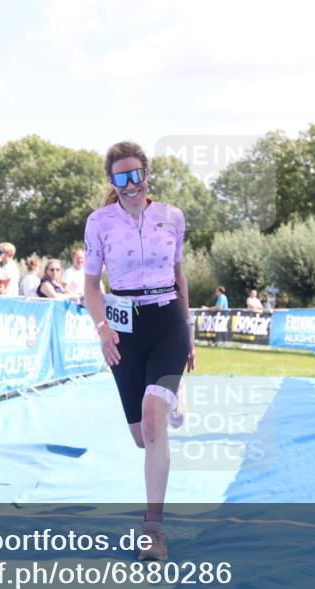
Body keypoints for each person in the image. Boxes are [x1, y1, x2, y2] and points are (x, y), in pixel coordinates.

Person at [83, 141, 194, 561]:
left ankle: (153, 530)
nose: (130, 185)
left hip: (168, 322)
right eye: (121, 177)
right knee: (141, 437)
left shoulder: (172, 216)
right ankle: (169, 396)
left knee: (152, 423)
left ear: (148, 175)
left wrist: (189, 332)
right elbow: (91, 285)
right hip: (124, 330)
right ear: (111, 181)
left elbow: (179, 276)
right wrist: (103, 329)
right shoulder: (99, 222)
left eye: (136, 175)